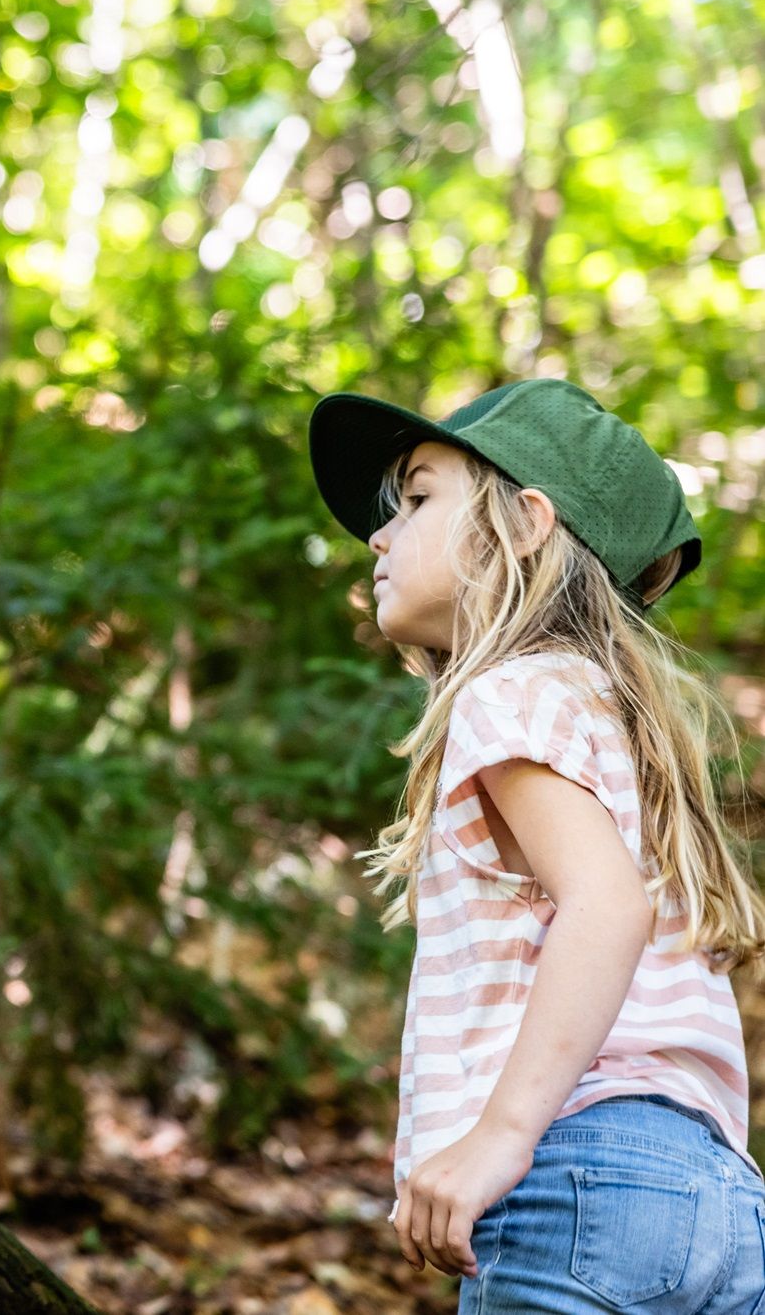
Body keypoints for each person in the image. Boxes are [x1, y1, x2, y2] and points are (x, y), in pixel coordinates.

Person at [308, 378, 764, 1311]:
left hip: (574, 1174)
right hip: (719, 1198)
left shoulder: (505, 693)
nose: (379, 536)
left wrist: (503, 1133)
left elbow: (607, 904)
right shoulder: (607, 714)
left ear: (525, 524)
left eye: (421, 497)